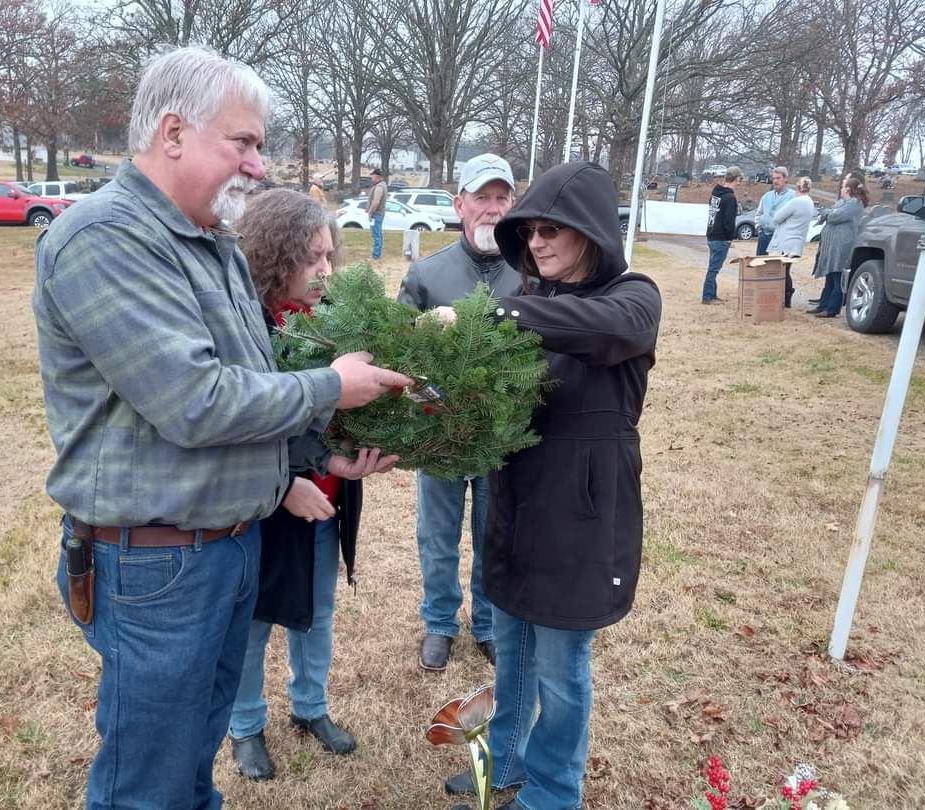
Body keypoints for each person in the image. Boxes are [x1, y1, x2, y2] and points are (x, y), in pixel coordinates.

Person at [33, 47, 411, 810]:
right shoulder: (104, 240)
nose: (258, 164)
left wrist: (312, 463)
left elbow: (257, 384)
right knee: (147, 783)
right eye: (243, 142)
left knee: (191, 768)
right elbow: (198, 403)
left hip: (227, 547)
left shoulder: (210, 243)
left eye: (259, 145)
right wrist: (333, 385)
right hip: (157, 570)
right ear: (173, 133)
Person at [439, 161, 661, 810]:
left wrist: (495, 312)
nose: (535, 242)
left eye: (551, 229)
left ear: (589, 230)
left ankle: (552, 793)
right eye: (528, 230)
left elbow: (598, 329)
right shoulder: (538, 299)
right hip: (517, 505)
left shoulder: (634, 296)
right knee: (512, 651)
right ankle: (505, 763)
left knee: (561, 669)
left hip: (583, 515)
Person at [226, 189, 398, 779]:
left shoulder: (330, 317)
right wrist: (287, 482)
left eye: (330, 255)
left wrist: (351, 455)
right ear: (277, 255)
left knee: (318, 608)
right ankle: (245, 724)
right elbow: (246, 419)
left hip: (327, 493)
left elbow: (345, 407)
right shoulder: (247, 323)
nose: (327, 269)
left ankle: (310, 708)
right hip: (266, 500)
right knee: (255, 618)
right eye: (314, 257)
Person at [396, 153, 521, 671]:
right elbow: (397, 353)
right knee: (438, 537)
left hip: (502, 438)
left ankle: (488, 622)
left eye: (501, 198)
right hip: (441, 436)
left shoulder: (529, 274)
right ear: (459, 205)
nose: (491, 209)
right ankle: (440, 623)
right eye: (481, 198)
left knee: (496, 534)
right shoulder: (427, 273)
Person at [809, 177, 868, 318]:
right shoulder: (844, 202)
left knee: (837, 277)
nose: (840, 189)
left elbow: (836, 216)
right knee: (830, 276)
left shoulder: (854, 203)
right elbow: (830, 212)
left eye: (842, 186)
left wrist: (828, 213)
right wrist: (829, 212)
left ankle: (832, 309)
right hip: (833, 246)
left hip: (842, 247)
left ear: (848, 189)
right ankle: (823, 305)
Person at [768, 176, 816, 308]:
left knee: (782, 272)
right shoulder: (809, 202)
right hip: (796, 243)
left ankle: (785, 298)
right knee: (786, 271)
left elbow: (777, 217)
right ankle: (786, 297)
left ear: (797, 187)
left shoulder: (796, 202)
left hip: (786, 242)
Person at [702, 166, 742, 303]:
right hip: (720, 238)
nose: (739, 183)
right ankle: (707, 296)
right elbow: (729, 221)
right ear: (735, 179)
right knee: (714, 269)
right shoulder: (730, 198)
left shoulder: (716, 194)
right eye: (739, 180)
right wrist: (730, 238)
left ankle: (712, 294)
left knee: (713, 266)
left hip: (711, 235)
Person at [755, 166, 793, 256]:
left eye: (778, 178)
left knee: (780, 268)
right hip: (765, 237)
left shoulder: (793, 197)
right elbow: (759, 213)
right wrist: (759, 228)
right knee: (761, 266)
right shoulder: (766, 196)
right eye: (773, 178)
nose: (775, 181)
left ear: (785, 179)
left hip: (783, 239)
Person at [366, 167, 388, 259]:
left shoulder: (379, 187)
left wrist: (370, 212)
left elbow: (376, 202)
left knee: (376, 235)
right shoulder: (382, 185)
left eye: (372, 175)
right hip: (379, 213)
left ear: (377, 176)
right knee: (378, 234)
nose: (371, 177)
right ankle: (377, 254)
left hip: (376, 214)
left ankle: (376, 256)